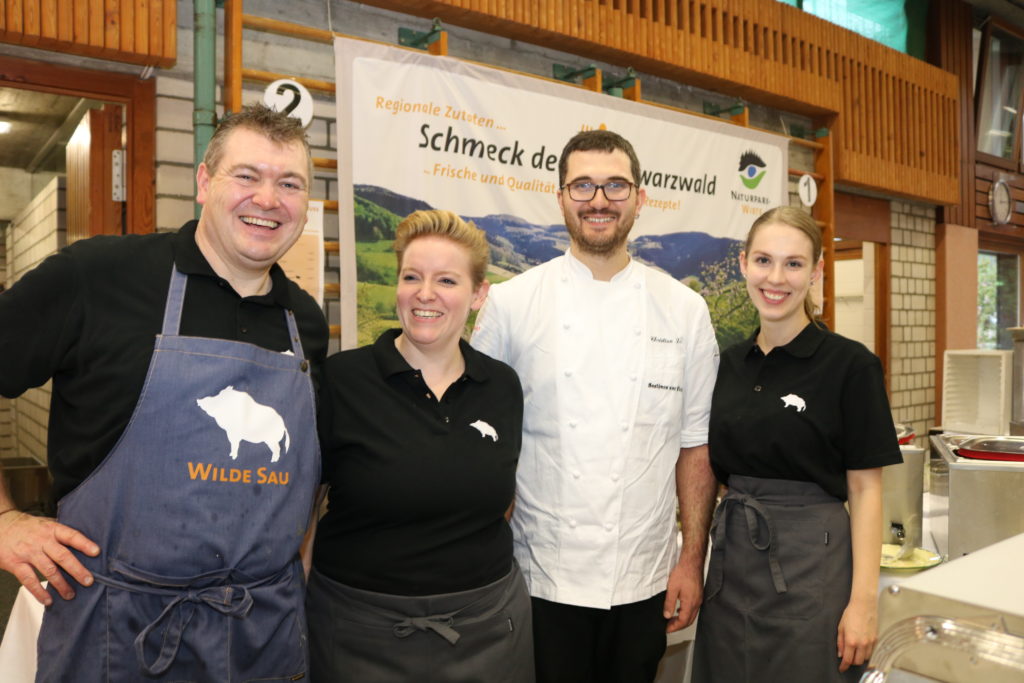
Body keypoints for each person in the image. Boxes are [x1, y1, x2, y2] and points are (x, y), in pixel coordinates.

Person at [0, 103, 328, 681]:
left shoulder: (304, 323)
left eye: (289, 183)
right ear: (204, 181)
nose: (268, 199)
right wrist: (2, 520)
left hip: (263, 633)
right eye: (246, 176)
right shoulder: (97, 277)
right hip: (117, 635)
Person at [471, 130, 720, 683]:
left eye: (614, 185)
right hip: (537, 575)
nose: (599, 200)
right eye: (582, 185)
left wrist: (690, 560)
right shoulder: (511, 306)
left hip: (645, 576)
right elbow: (478, 441)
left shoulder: (684, 311)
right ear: (560, 196)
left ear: (640, 197)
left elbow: (695, 447)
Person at [307, 209, 532, 682]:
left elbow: (500, 501)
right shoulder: (344, 380)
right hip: (358, 631)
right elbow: (305, 507)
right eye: (412, 277)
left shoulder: (502, 386)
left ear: (478, 294)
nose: (425, 294)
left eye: (446, 280)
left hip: (485, 629)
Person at [691, 206, 902, 682]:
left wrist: (863, 604)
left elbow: (867, 491)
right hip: (730, 571)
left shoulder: (851, 366)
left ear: (816, 272)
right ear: (744, 264)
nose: (776, 278)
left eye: (793, 263)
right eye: (764, 260)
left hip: (814, 569)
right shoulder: (725, 365)